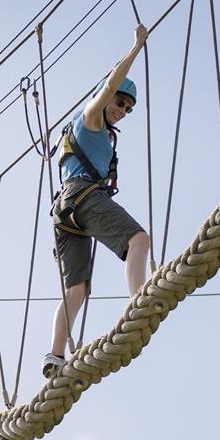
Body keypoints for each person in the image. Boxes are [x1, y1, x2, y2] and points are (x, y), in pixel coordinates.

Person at [41, 23, 151, 379]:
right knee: (139, 240)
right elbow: (107, 86)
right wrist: (135, 48)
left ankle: (54, 356)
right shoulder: (89, 119)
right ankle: (139, 304)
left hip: (65, 211)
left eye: (128, 108)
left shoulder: (106, 137)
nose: (122, 109)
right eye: (120, 102)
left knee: (77, 289)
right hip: (82, 196)